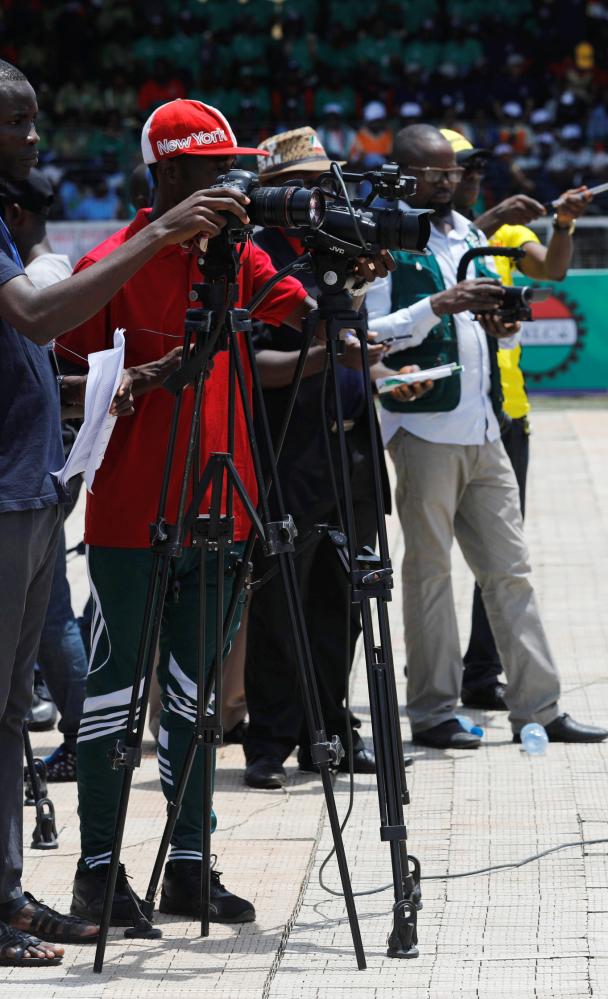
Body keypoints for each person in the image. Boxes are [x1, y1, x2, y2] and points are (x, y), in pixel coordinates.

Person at [0, 55, 249, 967]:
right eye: (16, 122)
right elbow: (39, 315)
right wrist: (160, 232)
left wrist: (116, 385)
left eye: (36, 119)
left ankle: (4, 893)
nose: (35, 137)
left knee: (13, 711)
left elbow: (15, 356)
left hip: (29, 486)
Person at [56, 103, 393, 917]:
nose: (230, 183)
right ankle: (98, 870)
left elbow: (296, 310)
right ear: (169, 175)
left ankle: (189, 865)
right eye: (214, 170)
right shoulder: (110, 262)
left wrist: (340, 288)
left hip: (224, 506)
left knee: (197, 698)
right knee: (114, 696)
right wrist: (133, 385)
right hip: (131, 516)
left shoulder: (235, 255)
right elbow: (57, 381)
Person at [365, 124, 608, 750]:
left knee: (512, 571)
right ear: (404, 175)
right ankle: (433, 711)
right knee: (429, 575)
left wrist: (497, 324)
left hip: (483, 425)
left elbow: (483, 331)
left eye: (454, 172)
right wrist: (439, 306)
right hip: (422, 432)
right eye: (436, 173)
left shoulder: (466, 233)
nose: (450, 182)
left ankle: (539, 708)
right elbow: (369, 334)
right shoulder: (383, 239)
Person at [239, 126, 425, 789]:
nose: (322, 193)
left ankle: (332, 729)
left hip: (350, 447)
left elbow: (356, 338)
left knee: (344, 598)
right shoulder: (257, 256)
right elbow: (253, 365)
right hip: (285, 451)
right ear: (274, 191)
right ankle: (270, 740)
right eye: (308, 183)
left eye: (326, 181)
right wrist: (329, 353)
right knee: (276, 600)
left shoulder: (342, 248)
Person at [439, 128, 592, 711]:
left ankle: (482, 672)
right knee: (429, 558)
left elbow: (552, 270)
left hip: (506, 412)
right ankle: (432, 672)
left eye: (477, 166)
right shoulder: (417, 232)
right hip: (439, 414)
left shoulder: (504, 232)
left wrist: (565, 224)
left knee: (500, 555)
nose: (472, 175)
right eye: (460, 166)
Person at [0, 168, 85, 782]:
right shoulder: (41, 273)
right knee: (45, 609)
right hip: (36, 458)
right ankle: (81, 735)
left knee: (50, 612)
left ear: (18, 216)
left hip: (40, 462)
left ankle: (83, 736)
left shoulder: (42, 277)